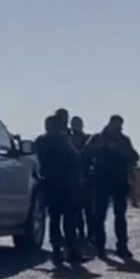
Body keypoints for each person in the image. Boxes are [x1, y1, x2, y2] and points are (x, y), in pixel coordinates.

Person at [86, 115, 140, 259]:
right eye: (115, 125)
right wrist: (101, 148)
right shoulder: (98, 138)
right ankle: (99, 247)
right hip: (101, 180)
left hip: (119, 180)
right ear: (109, 124)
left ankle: (122, 246)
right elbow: (86, 153)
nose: (117, 128)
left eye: (119, 126)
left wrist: (118, 150)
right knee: (99, 215)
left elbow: (135, 156)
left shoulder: (124, 140)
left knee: (120, 215)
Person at [36, 111, 83, 266]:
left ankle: (57, 251)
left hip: (50, 183)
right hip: (66, 184)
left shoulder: (41, 141)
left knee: (54, 219)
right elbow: (75, 158)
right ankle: (71, 251)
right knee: (68, 219)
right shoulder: (62, 140)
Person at [70, 116, 94, 242]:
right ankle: (80, 232)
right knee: (76, 209)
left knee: (89, 209)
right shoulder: (68, 140)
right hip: (74, 178)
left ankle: (91, 233)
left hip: (88, 177)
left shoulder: (88, 139)